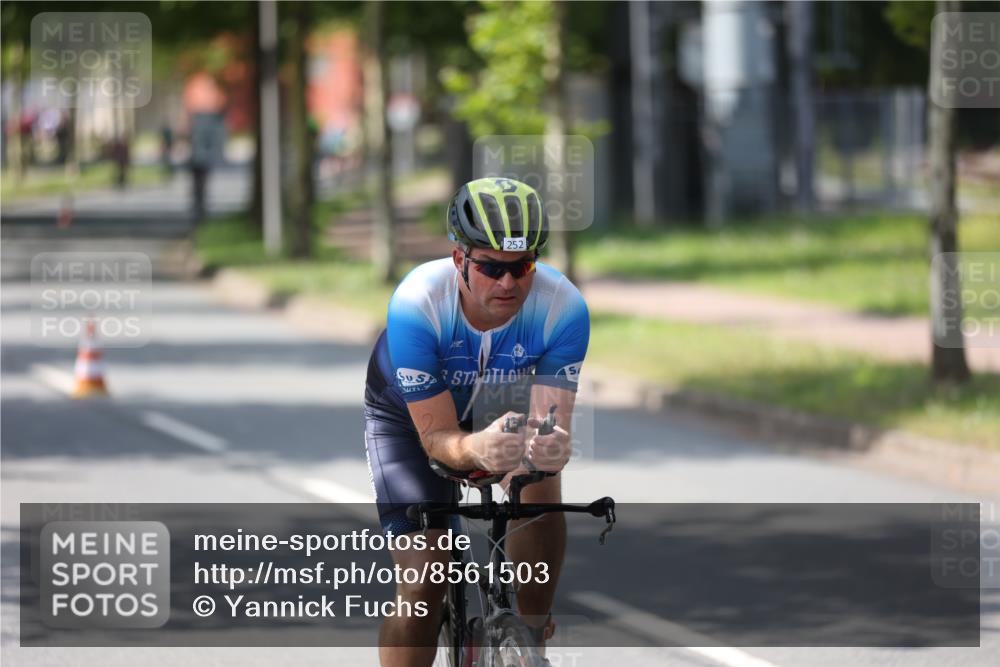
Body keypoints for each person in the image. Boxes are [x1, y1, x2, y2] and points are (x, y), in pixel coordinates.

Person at [364, 177, 589, 666]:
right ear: (459, 258)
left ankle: (530, 640)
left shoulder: (563, 307)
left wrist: (549, 447)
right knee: (424, 582)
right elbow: (438, 438)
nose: (508, 282)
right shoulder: (417, 303)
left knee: (540, 483)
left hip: (499, 397)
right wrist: (475, 451)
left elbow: (549, 423)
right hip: (409, 414)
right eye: (490, 267)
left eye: (522, 265)